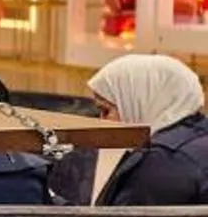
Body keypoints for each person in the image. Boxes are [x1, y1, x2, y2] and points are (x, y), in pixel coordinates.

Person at [88, 53, 208, 206]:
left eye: (106, 111)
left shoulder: (161, 162)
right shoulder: (196, 138)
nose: (101, 122)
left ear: (137, 103)